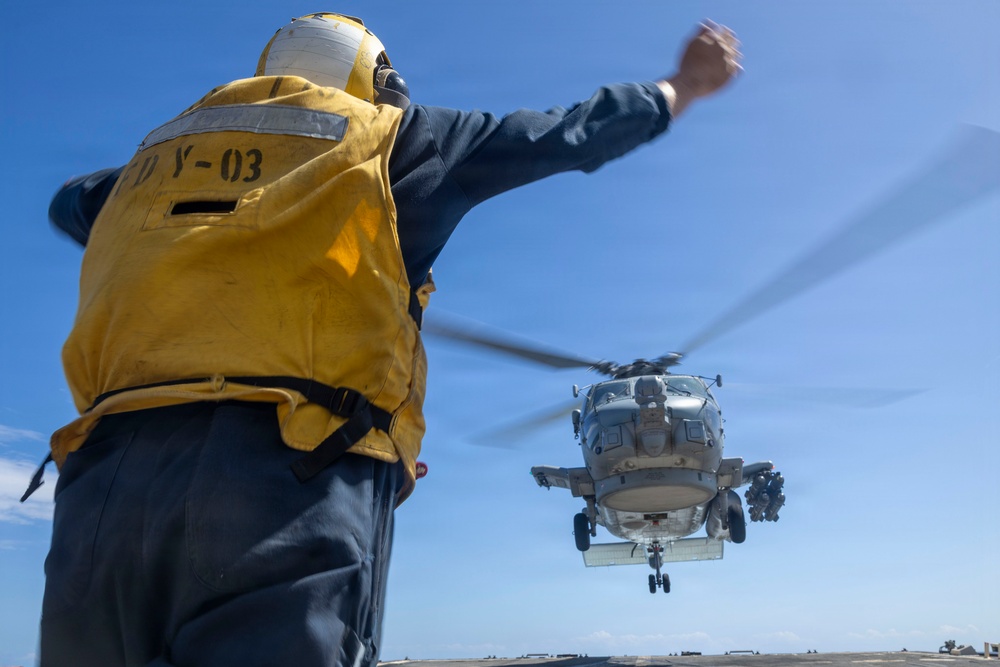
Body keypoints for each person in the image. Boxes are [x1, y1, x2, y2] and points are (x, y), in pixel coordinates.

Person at [36, 12, 741, 666]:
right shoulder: (395, 140)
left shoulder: (140, 174)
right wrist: (682, 86)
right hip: (294, 473)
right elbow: (567, 133)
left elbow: (70, 203)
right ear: (379, 82)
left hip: (101, 484)